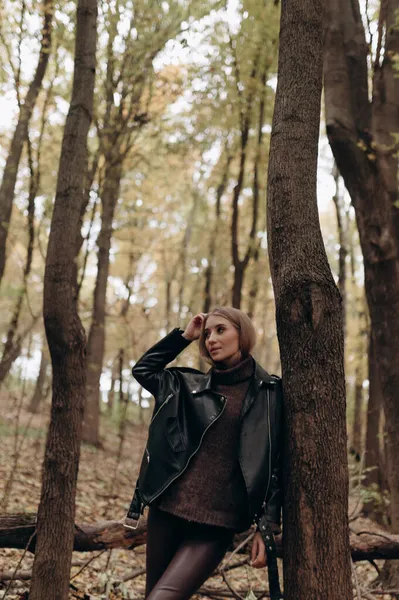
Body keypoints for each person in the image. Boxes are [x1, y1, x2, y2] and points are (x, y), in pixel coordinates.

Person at [125, 307, 284, 600]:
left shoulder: (269, 393)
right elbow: (143, 370)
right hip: (167, 512)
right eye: (208, 333)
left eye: (221, 330)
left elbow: (275, 465)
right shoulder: (187, 386)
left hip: (217, 524)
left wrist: (268, 526)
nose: (211, 339)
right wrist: (185, 336)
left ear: (242, 334)